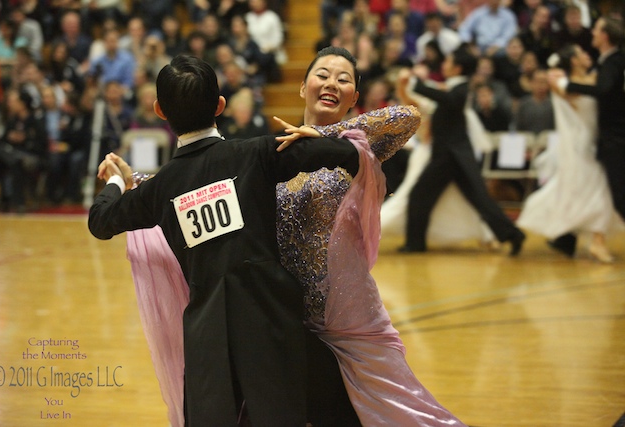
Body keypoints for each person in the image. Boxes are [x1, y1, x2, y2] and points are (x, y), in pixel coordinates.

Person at [125, 47, 466, 426]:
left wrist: (326, 137)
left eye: (344, 79)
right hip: (281, 315)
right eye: (322, 74)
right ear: (303, 87)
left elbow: (407, 117)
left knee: (396, 415)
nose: (332, 83)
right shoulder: (275, 150)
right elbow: (200, 180)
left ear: (354, 97)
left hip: (344, 321)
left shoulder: (357, 146)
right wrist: (137, 183)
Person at [88, 54, 365, 427]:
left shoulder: (163, 187)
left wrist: (117, 183)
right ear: (220, 106)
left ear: (159, 111)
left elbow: (101, 221)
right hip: (272, 321)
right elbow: (346, 153)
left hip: (208, 337)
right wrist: (323, 140)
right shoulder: (255, 153)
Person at [398, 45, 526, 255]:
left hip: (450, 156)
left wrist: (416, 84)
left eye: (448, 62)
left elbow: (447, 98)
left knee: (423, 195)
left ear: (457, 68)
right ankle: (512, 235)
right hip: (451, 156)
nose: (444, 65)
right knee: (476, 199)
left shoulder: (461, 89)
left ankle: (415, 243)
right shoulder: (454, 87)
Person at [518, 44, 624, 263]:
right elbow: (567, 86)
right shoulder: (563, 83)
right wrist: (556, 74)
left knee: (582, 190)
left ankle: (566, 237)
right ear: (574, 61)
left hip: (594, 141)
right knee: (598, 190)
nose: (587, 55)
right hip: (580, 143)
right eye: (582, 53)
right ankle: (597, 241)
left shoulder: (594, 78)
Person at [547, 16, 625, 257]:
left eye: (597, 30)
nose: (592, 33)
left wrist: (569, 85)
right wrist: (563, 81)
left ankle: (574, 238)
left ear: (605, 36)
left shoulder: (611, 62)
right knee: (593, 188)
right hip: (589, 141)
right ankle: (569, 238)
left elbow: (601, 89)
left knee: (613, 193)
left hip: (611, 139)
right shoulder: (601, 66)